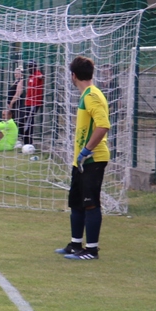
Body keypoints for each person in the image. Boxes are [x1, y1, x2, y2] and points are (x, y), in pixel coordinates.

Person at [57, 56, 110, 261]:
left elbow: (103, 126)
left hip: (92, 159)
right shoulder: (86, 95)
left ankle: (91, 250)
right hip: (80, 161)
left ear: (73, 76)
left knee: (90, 203)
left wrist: (86, 150)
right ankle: (75, 244)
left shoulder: (92, 96)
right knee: (77, 203)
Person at [8, 62, 44, 145]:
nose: (29, 68)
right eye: (28, 67)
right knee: (25, 121)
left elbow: (41, 76)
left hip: (33, 103)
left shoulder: (37, 73)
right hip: (27, 103)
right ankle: (25, 142)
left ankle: (27, 143)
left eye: (31, 66)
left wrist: (41, 76)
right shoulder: (30, 76)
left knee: (27, 121)